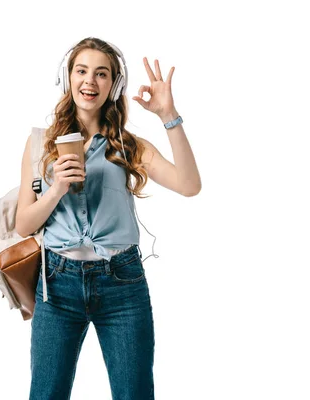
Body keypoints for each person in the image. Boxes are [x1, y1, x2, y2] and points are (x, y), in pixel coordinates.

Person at [15, 37, 201, 400]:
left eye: (102, 74)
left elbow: (189, 185)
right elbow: (23, 224)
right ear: (68, 77)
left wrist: (168, 117)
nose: (90, 81)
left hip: (121, 283)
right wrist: (55, 190)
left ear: (113, 84)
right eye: (82, 71)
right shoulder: (39, 144)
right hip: (57, 284)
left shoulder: (128, 146)